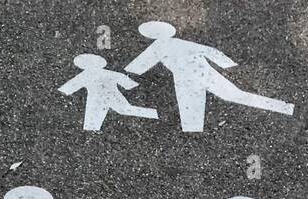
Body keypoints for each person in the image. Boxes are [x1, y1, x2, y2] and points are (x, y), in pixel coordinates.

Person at [126, 21, 294, 133]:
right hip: (201, 74)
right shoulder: (176, 43)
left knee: (192, 112)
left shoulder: (158, 47)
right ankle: (282, 107)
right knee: (228, 98)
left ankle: (282, 107)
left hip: (189, 79)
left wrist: (128, 76)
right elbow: (210, 51)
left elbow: (137, 67)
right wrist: (228, 64)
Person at [58, 54, 158, 132]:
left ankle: (91, 142)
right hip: (113, 96)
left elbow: (68, 88)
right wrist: (131, 85)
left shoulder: (85, 75)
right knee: (125, 109)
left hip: (96, 99)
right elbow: (128, 83)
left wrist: (63, 92)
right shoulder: (109, 73)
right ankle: (154, 113)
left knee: (92, 122)